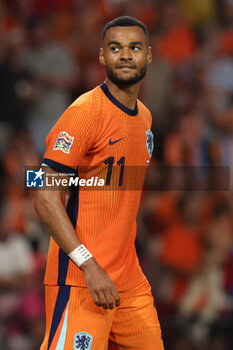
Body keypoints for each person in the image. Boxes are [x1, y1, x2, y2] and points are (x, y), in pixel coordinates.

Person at [35, 16, 164, 350]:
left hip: (129, 280)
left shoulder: (145, 118)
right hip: (81, 279)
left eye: (134, 47)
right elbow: (45, 198)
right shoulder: (85, 112)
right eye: (115, 48)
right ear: (101, 57)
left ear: (148, 55)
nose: (125, 55)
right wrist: (89, 265)